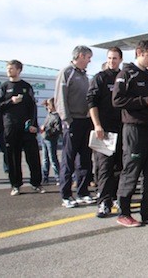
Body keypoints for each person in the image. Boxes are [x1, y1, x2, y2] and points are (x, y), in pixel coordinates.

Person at [112, 40, 148, 227]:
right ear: (139, 53)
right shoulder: (126, 73)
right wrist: (144, 101)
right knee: (131, 170)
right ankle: (124, 212)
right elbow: (118, 100)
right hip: (134, 129)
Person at [0, 60, 45, 195]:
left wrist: (33, 124)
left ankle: (36, 183)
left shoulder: (26, 87)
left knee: (33, 157)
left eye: (11, 68)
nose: (9, 71)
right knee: (13, 157)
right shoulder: (4, 87)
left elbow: (33, 107)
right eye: (7, 68)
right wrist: (11, 101)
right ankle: (16, 185)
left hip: (27, 128)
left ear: (19, 70)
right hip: (10, 127)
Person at [55, 45, 94, 208]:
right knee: (68, 159)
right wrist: (67, 120)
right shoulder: (67, 72)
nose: (89, 61)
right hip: (73, 122)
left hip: (85, 122)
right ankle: (66, 195)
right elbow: (60, 98)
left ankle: (83, 191)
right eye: (88, 58)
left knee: (85, 159)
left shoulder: (85, 76)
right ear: (80, 56)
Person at [87, 47, 124, 218]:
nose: (112, 61)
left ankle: (116, 198)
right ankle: (103, 201)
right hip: (105, 131)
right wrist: (97, 125)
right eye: (109, 58)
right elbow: (91, 102)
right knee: (104, 167)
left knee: (119, 166)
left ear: (120, 59)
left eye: (115, 58)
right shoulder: (100, 78)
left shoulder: (123, 76)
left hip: (122, 129)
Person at [40, 98, 61, 185]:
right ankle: (45, 177)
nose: (47, 107)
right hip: (44, 138)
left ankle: (58, 177)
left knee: (52, 158)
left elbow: (58, 129)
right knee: (45, 159)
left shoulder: (56, 116)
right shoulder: (49, 114)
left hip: (51, 139)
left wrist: (47, 130)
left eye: (48, 105)